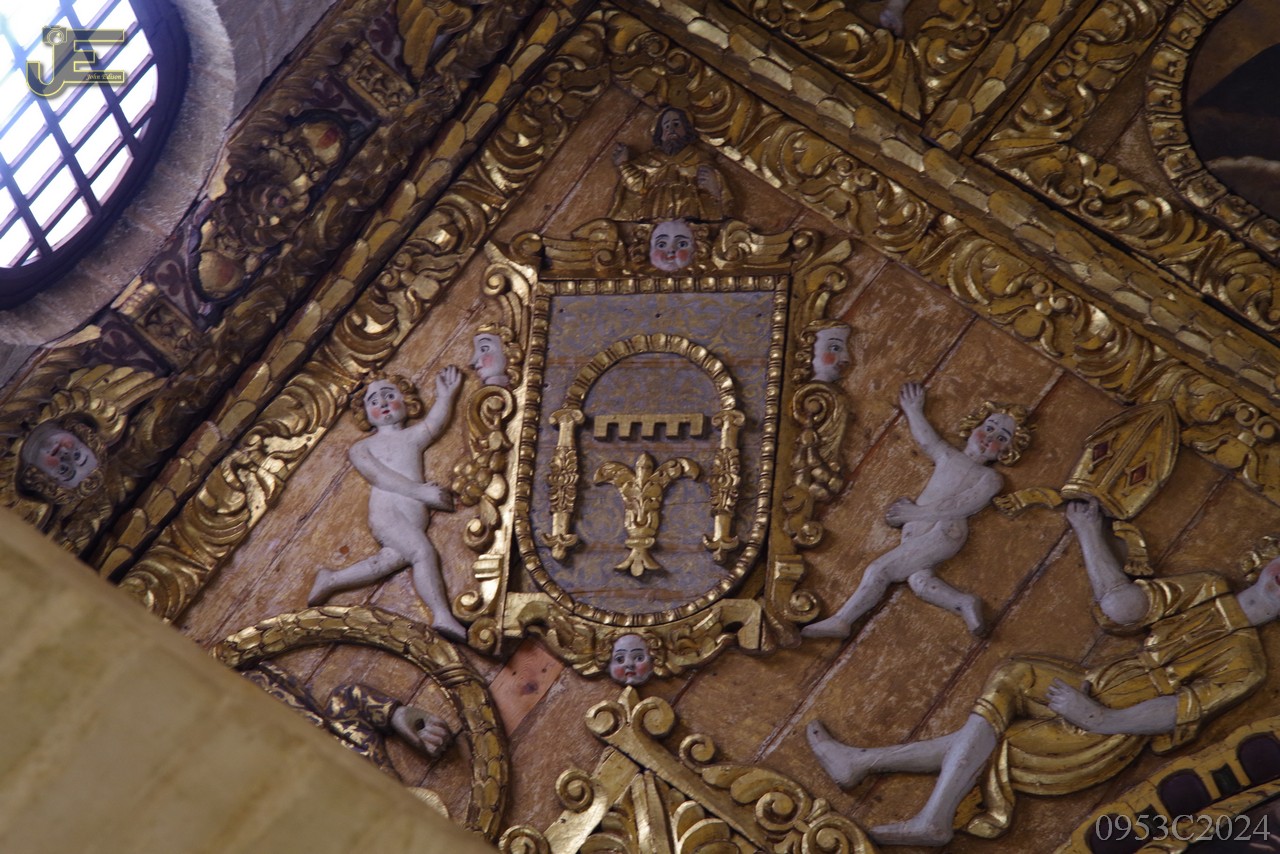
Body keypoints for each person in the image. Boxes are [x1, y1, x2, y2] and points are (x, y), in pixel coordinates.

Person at [806, 499, 1279, 846]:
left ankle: (914, 804)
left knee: (1000, 743)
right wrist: (1088, 530)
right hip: (1099, 681)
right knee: (1013, 675)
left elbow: (1177, 710)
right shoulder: (1210, 588)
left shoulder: (1246, 663)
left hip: (1117, 724)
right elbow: (1123, 606)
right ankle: (875, 775)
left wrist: (1098, 718)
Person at [802, 383, 1031, 638]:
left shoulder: (990, 478)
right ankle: (963, 603)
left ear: (1007, 452)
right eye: (988, 428)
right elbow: (927, 440)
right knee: (919, 581)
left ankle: (843, 621)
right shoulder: (948, 455)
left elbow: (962, 505)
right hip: (921, 527)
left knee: (881, 570)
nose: (990, 438)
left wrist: (913, 514)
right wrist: (913, 410)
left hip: (944, 530)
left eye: (1002, 438)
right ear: (974, 427)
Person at [308, 367, 467, 641]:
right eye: (373, 401)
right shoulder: (363, 448)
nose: (382, 403)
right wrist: (421, 493)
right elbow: (380, 477)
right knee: (422, 553)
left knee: (386, 562)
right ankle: (442, 616)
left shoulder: (411, 437)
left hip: (412, 517)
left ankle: (331, 579)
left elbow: (435, 424)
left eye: (389, 395)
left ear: (406, 400)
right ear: (365, 414)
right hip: (387, 514)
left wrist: (445, 396)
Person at [610, 107, 730, 222]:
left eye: (676, 124)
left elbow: (717, 196)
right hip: (653, 212)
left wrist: (714, 189)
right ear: (660, 135)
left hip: (689, 212)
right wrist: (623, 164)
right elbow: (637, 186)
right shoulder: (650, 159)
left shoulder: (699, 158)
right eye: (666, 126)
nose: (671, 129)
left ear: (686, 129)